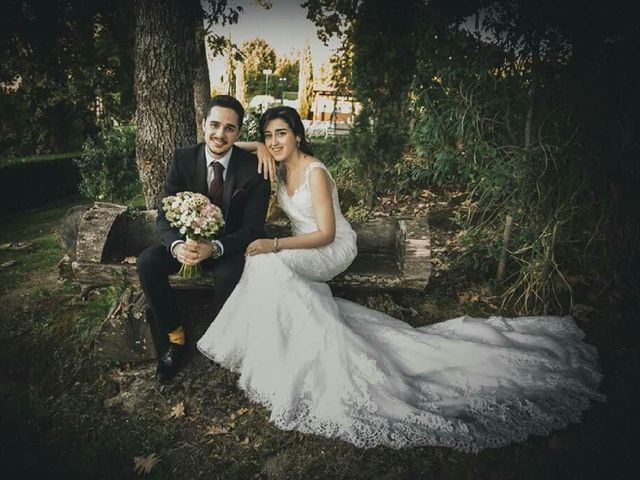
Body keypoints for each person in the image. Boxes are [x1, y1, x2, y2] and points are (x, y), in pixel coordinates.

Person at [197, 106, 604, 452]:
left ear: (299, 136)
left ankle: (291, 355)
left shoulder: (314, 172)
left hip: (329, 249)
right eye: (269, 135)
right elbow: (240, 145)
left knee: (266, 262)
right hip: (304, 246)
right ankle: (278, 351)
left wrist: (277, 244)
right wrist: (256, 146)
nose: (275, 141)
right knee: (264, 267)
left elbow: (327, 234)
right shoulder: (275, 161)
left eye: (282, 133)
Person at [137, 95, 271, 383]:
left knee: (231, 273)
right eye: (214, 125)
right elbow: (164, 213)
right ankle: (175, 338)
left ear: (238, 133)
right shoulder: (183, 158)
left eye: (229, 128)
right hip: (186, 247)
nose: (220, 134)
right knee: (148, 262)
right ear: (203, 124)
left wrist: (216, 247)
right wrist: (176, 246)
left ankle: (220, 340)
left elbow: (252, 229)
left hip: (228, 249)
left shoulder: (253, 170)